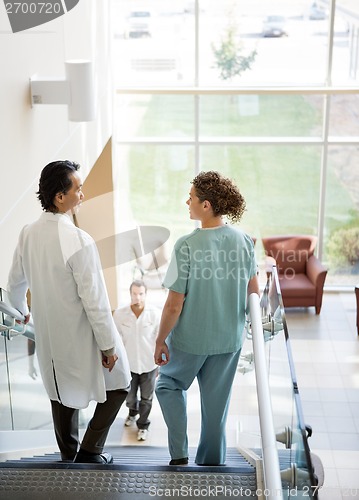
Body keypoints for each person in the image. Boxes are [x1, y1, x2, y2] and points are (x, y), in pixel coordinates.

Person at [7, 160, 131, 464]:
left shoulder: (27, 233)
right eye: (78, 189)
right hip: (80, 334)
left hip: (48, 335)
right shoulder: (78, 239)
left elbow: (14, 284)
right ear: (59, 197)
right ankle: (89, 451)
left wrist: (21, 311)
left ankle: (68, 457)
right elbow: (96, 301)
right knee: (121, 384)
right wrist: (108, 346)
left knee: (61, 394)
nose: (83, 195)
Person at [154, 170, 260, 466]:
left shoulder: (186, 245)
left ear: (206, 206)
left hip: (190, 340)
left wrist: (160, 339)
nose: (186, 201)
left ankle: (179, 455)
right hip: (228, 340)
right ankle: (212, 464)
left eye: (191, 197)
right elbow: (253, 290)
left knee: (167, 385)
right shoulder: (244, 241)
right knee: (216, 409)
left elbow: (174, 304)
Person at [113, 280, 160, 442]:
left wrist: (159, 363)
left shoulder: (155, 314)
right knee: (130, 397)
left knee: (147, 398)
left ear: (145, 294)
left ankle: (143, 426)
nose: (137, 297)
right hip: (128, 366)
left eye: (141, 294)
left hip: (149, 365)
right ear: (130, 294)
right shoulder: (119, 314)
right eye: (134, 293)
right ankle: (132, 412)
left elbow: (160, 339)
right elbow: (116, 340)